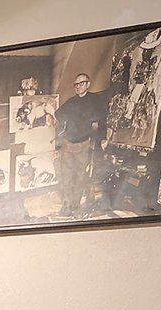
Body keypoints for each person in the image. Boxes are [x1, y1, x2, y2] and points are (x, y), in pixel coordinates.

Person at [54, 74, 108, 215]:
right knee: (66, 176)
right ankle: (66, 205)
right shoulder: (71, 101)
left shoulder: (95, 100)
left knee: (80, 177)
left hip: (84, 144)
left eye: (81, 83)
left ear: (88, 84)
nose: (78, 87)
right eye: (76, 85)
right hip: (68, 144)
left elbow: (101, 120)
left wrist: (102, 137)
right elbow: (58, 113)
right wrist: (66, 123)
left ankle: (75, 206)